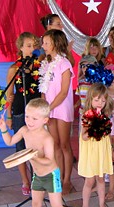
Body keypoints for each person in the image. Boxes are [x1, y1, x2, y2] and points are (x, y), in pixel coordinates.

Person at [0, 98, 85, 207]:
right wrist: (4, 129)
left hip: (51, 176)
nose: (29, 121)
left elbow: (50, 161)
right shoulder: (24, 130)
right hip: (37, 176)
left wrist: (33, 157)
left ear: (45, 120)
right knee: (36, 205)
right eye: (27, 116)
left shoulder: (47, 138)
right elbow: (9, 141)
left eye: (34, 118)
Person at [38, 29, 74, 195]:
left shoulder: (64, 63)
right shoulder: (45, 63)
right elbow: (44, 88)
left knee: (65, 144)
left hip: (61, 108)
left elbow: (64, 91)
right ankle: (58, 178)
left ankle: (67, 180)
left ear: (56, 44)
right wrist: (43, 105)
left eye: (46, 43)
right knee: (56, 145)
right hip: (49, 110)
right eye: (43, 42)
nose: (43, 46)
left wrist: (49, 108)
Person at [5, 32, 41, 196]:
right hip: (20, 110)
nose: (31, 48)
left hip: (36, 111)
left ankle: (36, 178)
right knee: (21, 147)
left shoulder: (39, 65)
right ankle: (25, 181)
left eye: (33, 45)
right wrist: (9, 116)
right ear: (20, 47)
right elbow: (9, 94)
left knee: (36, 146)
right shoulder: (14, 68)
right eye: (28, 45)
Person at [78, 83, 114, 207]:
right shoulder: (86, 116)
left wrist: (111, 151)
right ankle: (85, 206)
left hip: (102, 152)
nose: (100, 103)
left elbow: (107, 136)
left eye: (103, 100)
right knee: (89, 181)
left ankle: (101, 204)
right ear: (90, 100)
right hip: (91, 152)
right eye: (97, 100)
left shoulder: (105, 117)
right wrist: (93, 129)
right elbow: (84, 136)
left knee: (101, 179)